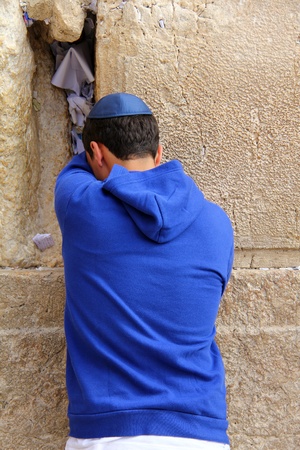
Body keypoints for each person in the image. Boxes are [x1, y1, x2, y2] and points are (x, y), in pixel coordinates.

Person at [55, 93, 234, 450]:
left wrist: (96, 157)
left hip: (110, 434)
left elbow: (75, 169)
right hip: (201, 435)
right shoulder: (217, 224)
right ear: (160, 152)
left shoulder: (80, 205)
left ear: (96, 153)